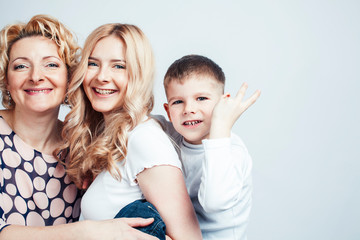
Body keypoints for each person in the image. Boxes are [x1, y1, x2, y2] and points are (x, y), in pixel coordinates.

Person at [0, 14, 158, 240]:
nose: (36, 76)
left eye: (51, 65)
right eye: (21, 66)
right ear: (6, 80)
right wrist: (86, 231)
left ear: (70, 78)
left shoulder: (82, 147)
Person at [60, 23, 202, 239]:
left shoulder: (144, 139)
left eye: (119, 66)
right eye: (93, 64)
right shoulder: (115, 134)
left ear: (138, 74)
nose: (102, 76)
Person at [157, 54, 261, 239]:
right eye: (178, 102)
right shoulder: (170, 134)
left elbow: (213, 202)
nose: (188, 109)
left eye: (201, 98)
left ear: (223, 103)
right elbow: (133, 122)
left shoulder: (232, 151)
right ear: (168, 111)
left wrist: (221, 126)